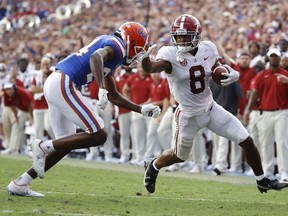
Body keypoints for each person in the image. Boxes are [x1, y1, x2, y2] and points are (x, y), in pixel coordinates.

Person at [6, 21, 161, 197]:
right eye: (139, 50)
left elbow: (114, 95)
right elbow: (96, 57)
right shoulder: (117, 46)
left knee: (66, 143)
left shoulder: (113, 50)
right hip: (63, 83)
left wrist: (140, 109)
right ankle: (42, 146)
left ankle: (21, 182)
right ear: (130, 42)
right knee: (99, 133)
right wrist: (101, 87)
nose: (138, 57)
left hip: (56, 83)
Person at [141, 14, 288, 194]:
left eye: (185, 36)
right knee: (179, 156)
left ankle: (262, 180)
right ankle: (154, 165)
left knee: (246, 140)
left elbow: (217, 67)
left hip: (211, 108)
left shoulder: (208, 49)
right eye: (178, 36)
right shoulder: (170, 54)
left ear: (196, 35)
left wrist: (231, 72)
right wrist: (144, 57)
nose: (181, 40)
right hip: (187, 115)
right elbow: (150, 68)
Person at [244, 48, 288, 181]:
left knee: (282, 143)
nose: (274, 58)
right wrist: (248, 110)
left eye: (276, 56)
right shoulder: (261, 75)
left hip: (282, 112)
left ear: (280, 58)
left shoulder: (285, 74)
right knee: (265, 143)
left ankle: (283, 172)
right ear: (269, 58)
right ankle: (268, 170)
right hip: (266, 113)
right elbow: (255, 94)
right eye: (272, 56)